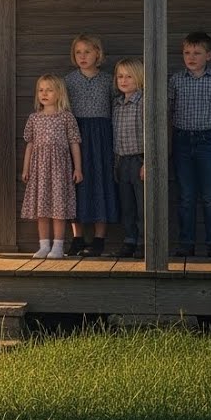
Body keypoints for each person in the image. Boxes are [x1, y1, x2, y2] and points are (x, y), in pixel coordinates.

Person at [168, 31, 211, 258]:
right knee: (186, 195)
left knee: (210, 195)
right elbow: (167, 112)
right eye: (187, 53)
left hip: (208, 141)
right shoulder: (176, 80)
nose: (191, 57)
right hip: (182, 140)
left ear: (209, 55)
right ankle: (186, 243)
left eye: (197, 53)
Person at [64, 33, 120, 257]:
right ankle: (77, 238)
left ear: (98, 53)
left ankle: (99, 239)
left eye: (87, 52)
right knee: (76, 185)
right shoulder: (68, 81)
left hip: (102, 136)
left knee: (101, 182)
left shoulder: (108, 80)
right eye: (78, 52)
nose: (82, 56)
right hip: (76, 136)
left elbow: (117, 109)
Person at [21, 74, 83, 259]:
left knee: (58, 207)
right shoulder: (34, 118)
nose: (44, 94)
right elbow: (30, 145)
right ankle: (43, 245)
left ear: (59, 93)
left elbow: (74, 143)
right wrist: (26, 169)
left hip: (59, 170)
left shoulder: (66, 117)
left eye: (49, 90)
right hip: (39, 170)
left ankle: (58, 245)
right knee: (42, 209)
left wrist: (77, 168)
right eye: (41, 90)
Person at [109, 57, 145, 259]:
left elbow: (151, 132)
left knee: (142, 205)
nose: (123, 80)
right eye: (120, 76)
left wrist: (148, 162)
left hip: (139, 160)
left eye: (129, 76)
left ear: (139, 78)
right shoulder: (117, 103)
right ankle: (129, 240)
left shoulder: (143, 102)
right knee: (127, 204)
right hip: (121, 161)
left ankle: (143, 242)